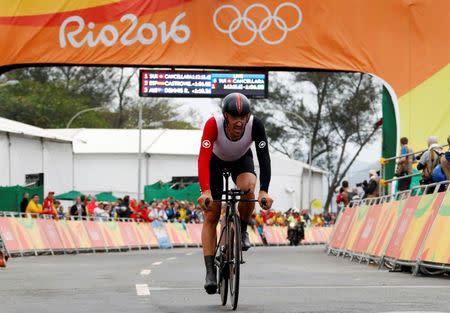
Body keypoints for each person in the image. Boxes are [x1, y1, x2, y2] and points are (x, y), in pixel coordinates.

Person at [197, 92, 273, 294]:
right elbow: (203, 158)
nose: (239, 122)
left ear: (248, 116)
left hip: (241, 159)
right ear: (225, 116)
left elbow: (264, 157)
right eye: (234, 117)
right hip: (215, 161)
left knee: (249, 188)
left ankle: (242, 230)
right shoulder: (213, 124)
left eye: (243, 117)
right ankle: (210, 271)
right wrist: (205, 191)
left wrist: (264, 190)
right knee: (212, 214)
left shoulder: (255, 125)